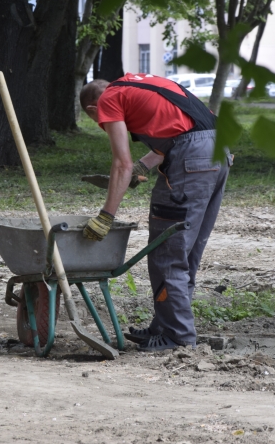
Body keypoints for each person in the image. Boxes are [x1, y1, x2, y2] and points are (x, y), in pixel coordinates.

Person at [79, 73, 231, 351]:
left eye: (96, 120)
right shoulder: (140, 83)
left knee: (167, 252)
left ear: (93, 109)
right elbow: (178, 131)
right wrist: (143, 167)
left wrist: (106, 216)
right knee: (186, 250)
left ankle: (178, 337)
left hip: (191, 157)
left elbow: (121, 164)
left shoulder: (108, 100)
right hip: (219, 150)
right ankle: (165, 327)